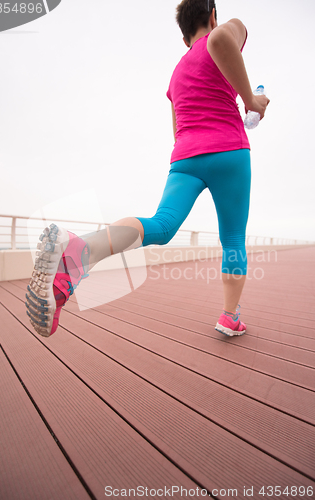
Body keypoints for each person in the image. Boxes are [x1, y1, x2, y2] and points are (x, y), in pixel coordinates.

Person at [25, 0, 270, 338]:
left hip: (185, 157)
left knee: (162, 225)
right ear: (213, 15)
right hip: (229, 150)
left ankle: (80, 249)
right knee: (232, 239)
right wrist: (251, 100)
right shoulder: (220, 33)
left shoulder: (177, 74)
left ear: (183, 38)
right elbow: (218, 41)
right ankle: (230, 316)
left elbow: (178, 131)